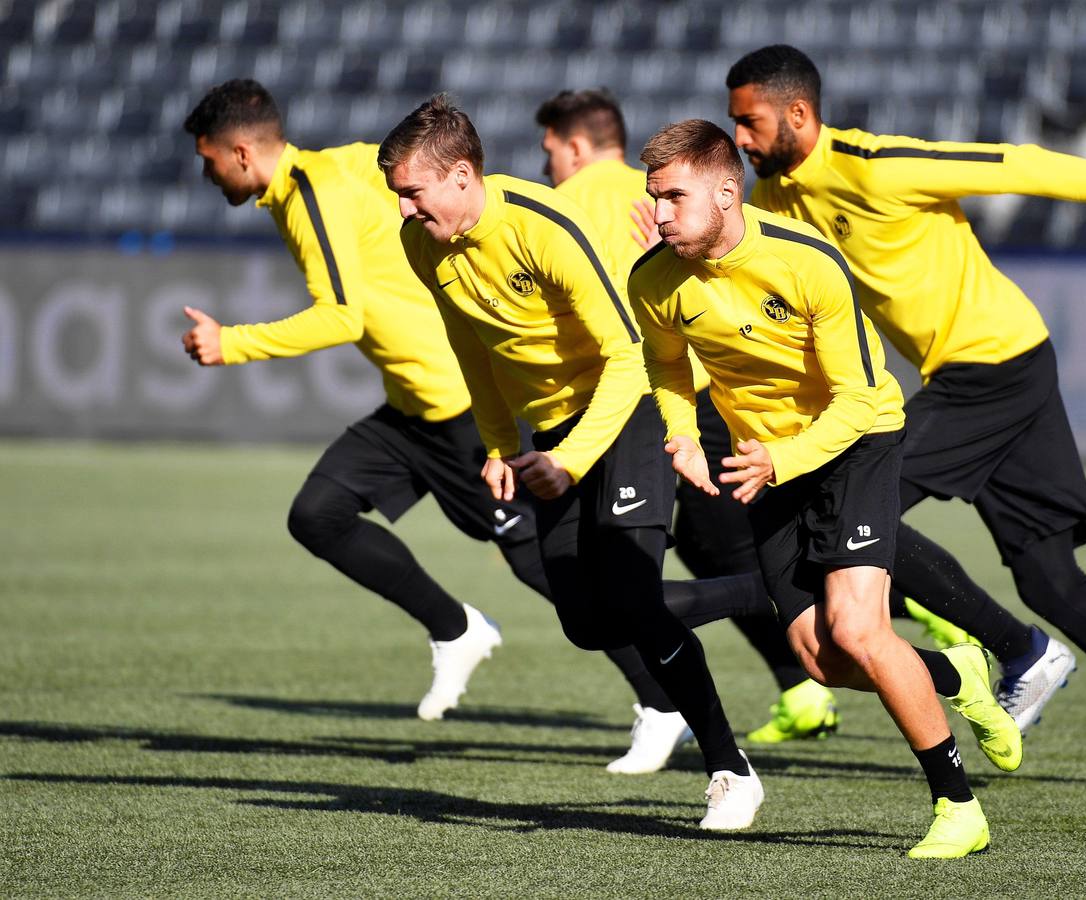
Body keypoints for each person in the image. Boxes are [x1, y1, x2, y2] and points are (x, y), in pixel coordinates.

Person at [724, 45, 1086, 789]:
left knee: (846, 495)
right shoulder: (773, 202)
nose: (743, 140)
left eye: (750, 123)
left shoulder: (881, 163)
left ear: (798, 113)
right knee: (1052, 582)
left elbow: (1021, 163)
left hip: (994, 367)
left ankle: (1019, 653)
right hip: (999, 369)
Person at [177, 82, 728, 781]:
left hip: (460, 406)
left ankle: (664, 700)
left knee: (558, 574)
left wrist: (235, 343)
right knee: (318, 513)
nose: (205, 174)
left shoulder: (316, 193)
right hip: (414, 406)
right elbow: (417, 239)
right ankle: (457, 628)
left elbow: (342, 314)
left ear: (240, 150)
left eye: (207, 160)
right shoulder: (338, 176)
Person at [629, 119, 1020, 858]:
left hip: (856, 442)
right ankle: (954, 670)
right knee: (820, 659)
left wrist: (782, 458)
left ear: (726, 189)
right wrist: (680, 431)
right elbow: (669, 367)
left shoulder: (807, 262)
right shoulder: (653, 280)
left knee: (859, 630)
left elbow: (852, 398)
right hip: (767, 462)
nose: (661, 214)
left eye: (675, 197)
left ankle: (958, 808)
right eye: (655, 199)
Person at [381, 94, 763, 830]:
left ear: (461, 176)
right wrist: (500, 444)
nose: (404, 211)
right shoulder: (422, 243)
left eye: (412, 192)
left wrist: (573, 460)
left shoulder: (543, 226)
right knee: (587, 623)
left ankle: (729, 768)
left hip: (627, 411)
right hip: (551, 435)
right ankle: (760, 592)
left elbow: (628, 352)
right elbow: (471, 344)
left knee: (635, 597)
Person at [534, 88, 841, 746]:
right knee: (711, 549)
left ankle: (912, 615)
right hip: (690, 400)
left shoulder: (567, 211)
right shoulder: (654, 198)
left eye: (550, 151)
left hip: (657, 405)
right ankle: (801, 683)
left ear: (577, 146)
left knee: (693, 570)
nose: (546, 165)